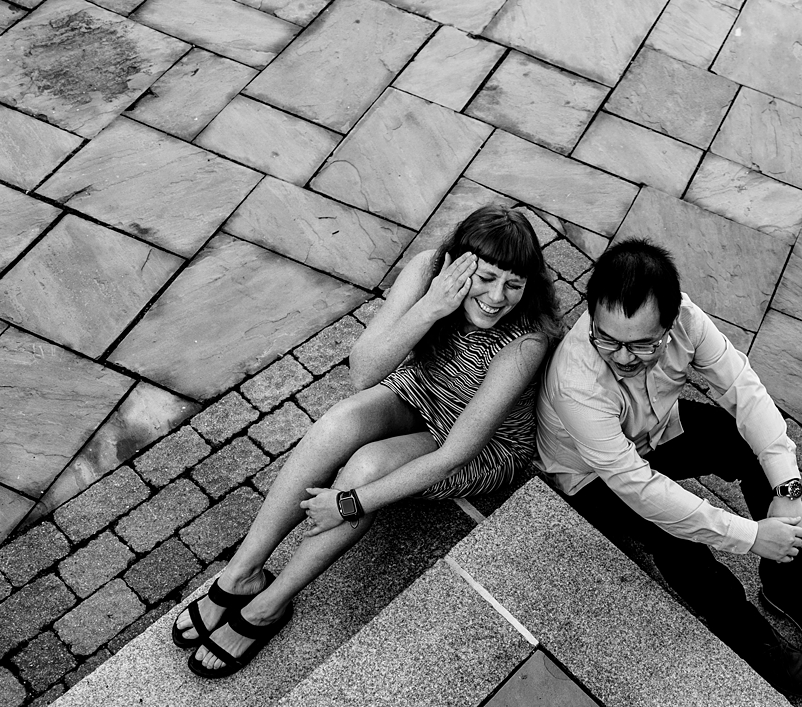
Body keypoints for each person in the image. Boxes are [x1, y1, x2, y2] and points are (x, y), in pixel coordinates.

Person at [173, 205, 559, 677]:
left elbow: (455, 453)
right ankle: (241, 574)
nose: (497, 297)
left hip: (483, 444)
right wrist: (431, 306)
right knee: (339, 424)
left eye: (513, 285)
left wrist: (350, 503)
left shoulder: (527, 342)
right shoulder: (427, 271)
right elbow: (364, 373)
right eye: (484, 277)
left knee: (366, 466)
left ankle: (269, 605)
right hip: (424, 388)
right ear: (456, 262)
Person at [536, 238, 802, 698]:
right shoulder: (576, 382)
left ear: (669, 324)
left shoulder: (687, 318)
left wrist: (787, 492)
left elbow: (744, 390)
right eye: (607, 339)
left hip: (657, 432)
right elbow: (641, 488)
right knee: (671, 533)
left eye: (642, 345)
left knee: (747, 447)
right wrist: (750, 537)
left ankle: (789, 588)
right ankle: (753, 639)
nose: (622, 357)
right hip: (594, 477)